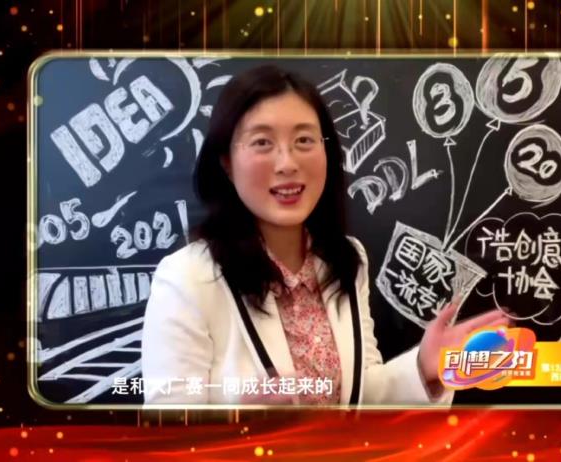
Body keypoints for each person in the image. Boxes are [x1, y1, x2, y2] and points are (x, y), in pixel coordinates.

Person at [141, 64, 507, 405]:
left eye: (304, 140)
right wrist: (238, 425)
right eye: (262, 142)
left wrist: (424, 368)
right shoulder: (187, 278)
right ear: (226, 163)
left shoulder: (347, 259)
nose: (287, 163)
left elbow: (358, 392)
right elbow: (167, 425)